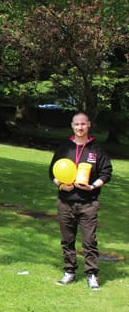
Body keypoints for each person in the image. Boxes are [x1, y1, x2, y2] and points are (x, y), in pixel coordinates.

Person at [49, 111, 112, 290]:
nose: (80, 127)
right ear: (72, 126)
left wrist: (93, 186)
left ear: (89, 125)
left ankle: (92, 275)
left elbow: (106, 172)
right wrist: (61, 185)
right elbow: (52, 172)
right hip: (65, 202)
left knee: (89, 241)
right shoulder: (64, 147)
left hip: (88, 203)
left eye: (83, 124)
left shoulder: (96, 149)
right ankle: (69, 271)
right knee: (67, 240)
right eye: (77, 124)